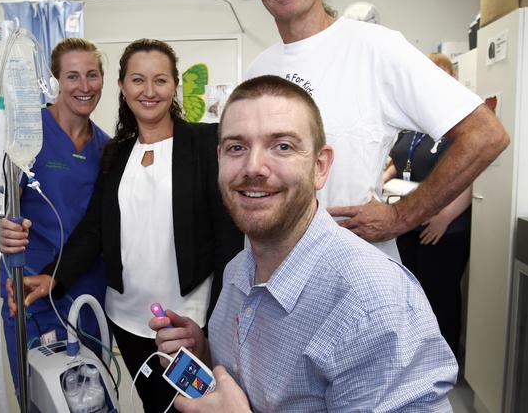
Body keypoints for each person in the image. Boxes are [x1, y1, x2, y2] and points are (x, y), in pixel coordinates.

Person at [151, 75, 458, 413]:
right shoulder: (239, 268)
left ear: (320, 167)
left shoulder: (374, 307)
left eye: (282, 146)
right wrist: (205, 354)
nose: (253, 167)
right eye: (236, 147)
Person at [5, 39, 244, 412]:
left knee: (193, 409)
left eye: (160, 80)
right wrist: (54, 276)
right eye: (137, 80)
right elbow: (95, 229)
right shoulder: (115, 153)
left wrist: (213, 327)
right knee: (154, 406)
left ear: (174, 85)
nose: (149, 92)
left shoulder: (204, 144)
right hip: (126, 320)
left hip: (187, 323)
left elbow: (229, 242)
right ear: (122, 86)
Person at [246, 0, 509, 260]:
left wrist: (401, 216)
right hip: (271, 265)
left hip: (351, 268)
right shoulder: (259, 68)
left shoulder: (375, 47)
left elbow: (485, 134)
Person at [0, 38, 109, 390]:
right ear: (56, 81)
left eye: (92, 75)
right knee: (44, 397)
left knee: (92, 398)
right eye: (73, 76)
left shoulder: (106, 148)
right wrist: (0, 227)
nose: (84, 86)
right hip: (32, 289)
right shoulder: (26, 135)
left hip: (89, 291)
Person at [383, 53, 472, 356]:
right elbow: (400, 161)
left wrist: (444, 218)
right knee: (412, 291)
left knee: (440, 292)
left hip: (444, 226)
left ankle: (443, 357)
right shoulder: (414, 122)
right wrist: (378, 179)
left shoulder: (459, 122)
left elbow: (469, 176)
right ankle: (417, 356)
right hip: (410, 220)